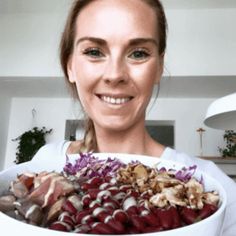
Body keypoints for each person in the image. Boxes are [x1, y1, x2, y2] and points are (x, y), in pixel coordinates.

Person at [33, 0, 236, 234]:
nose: (115, 74)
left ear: (159, 66)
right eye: (94, 52)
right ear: (70, 66)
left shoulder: (213, 185)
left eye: (138, 53)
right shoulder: (46, 164)